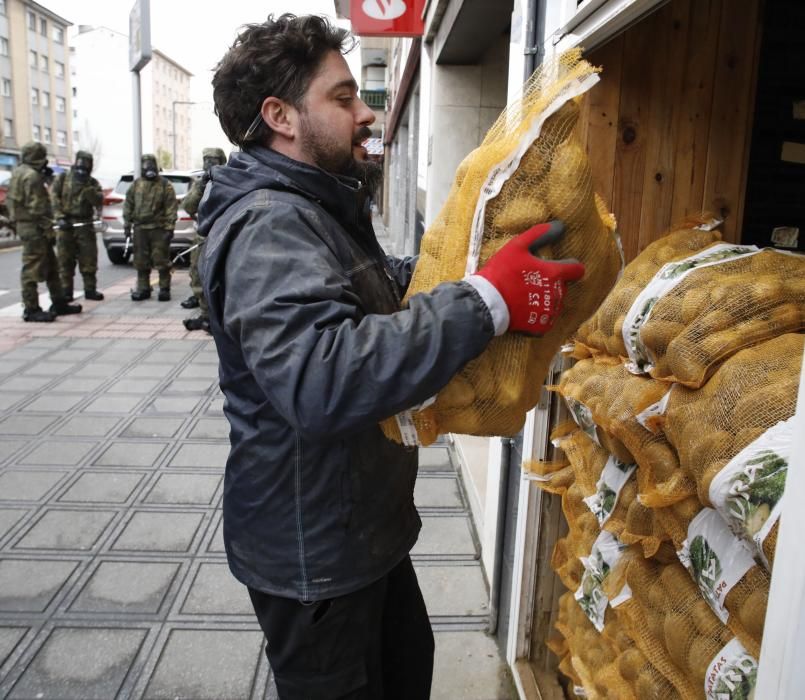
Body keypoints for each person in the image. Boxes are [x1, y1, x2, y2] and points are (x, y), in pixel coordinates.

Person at [199, 14, 584, 700]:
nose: (367, 113)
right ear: (279, 116)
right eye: (343, 98)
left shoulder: (311, 208)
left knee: (406, 667)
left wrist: (463, 270)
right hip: (313, 552)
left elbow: (361, 291)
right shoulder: (269, 222)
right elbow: (321, 378)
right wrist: (483, 301)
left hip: (355, 529)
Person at [7, 142, 82, 322]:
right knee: (32, 268)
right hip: (35, 228)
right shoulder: (32, 177)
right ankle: (31, 309)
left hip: (27, 226)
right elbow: (38, 208)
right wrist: (49, 229)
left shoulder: (17, 173)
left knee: (51, 267)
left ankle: (59, 303)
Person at [179, 147, 227, 332]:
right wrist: (201, 186)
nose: (209, 165)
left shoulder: (231, 181)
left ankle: (220, 320)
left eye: (213, 161)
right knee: (198, 276)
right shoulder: (201, 183)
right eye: (207, 161)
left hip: (223, 236)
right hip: (202, 237)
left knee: (220, 278)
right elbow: (189, 207)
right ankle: (207, 317)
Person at [51, 150, 105, 301]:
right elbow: (54, 198)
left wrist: (89, 191)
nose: (83, 167)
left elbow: (99, 201)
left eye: (87, 164)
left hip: (85, 225)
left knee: (88, 260)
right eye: (81, 163)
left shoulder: (92, 183)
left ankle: (90, 289)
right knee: (65, 261)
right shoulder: (63, 178)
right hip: (66, 226)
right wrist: (60, 218)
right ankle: (66, 292)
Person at [123, 153, 178, 301]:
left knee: (162, 260)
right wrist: (127, 225)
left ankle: (164, 289)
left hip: (159, 229)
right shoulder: (136, 185)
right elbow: (128, 205)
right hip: (140, 229)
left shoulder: (165, 185)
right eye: (146, 165)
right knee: (141, 262)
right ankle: (143, 288)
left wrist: (169, 228)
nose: (149, 168)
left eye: (151, 165)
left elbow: (171, 207)